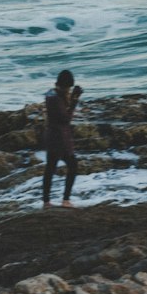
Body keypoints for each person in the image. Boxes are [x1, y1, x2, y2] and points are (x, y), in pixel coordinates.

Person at [42, 69, 83, 209]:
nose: (69, 90)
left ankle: (46, 202)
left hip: (52, 136)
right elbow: (65, 118)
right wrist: (75, 101)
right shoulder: (55, 98)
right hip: (59, 137)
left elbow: (62, 111)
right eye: (69, 87)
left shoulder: (52, 94)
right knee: (72, 166)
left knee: (50, 168)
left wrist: (71, 98)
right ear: (65, 85)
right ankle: (65, 200)